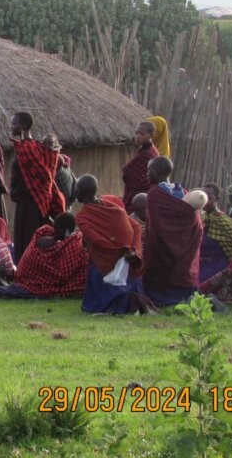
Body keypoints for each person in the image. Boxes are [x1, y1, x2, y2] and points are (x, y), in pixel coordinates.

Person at [0, 213, 86, 300]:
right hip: (35, 281)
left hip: (46, 286)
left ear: (65, 231)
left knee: (14, 291)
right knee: (15, 289)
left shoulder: (73, 246)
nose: (53, 231)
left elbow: (60, 273)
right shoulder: (52, 239)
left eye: (56, 229)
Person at [74, 175, 149, 314]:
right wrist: (132, 249)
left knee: (95, 305)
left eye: (76, 189)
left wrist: (122, 250)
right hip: (128, 256)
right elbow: (136, 227)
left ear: (80, 192)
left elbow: (96, 240)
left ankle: (125, 301)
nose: (74, 191)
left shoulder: (83, 216)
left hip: (109, 260)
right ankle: (133, 299)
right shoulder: (111, 205)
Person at [143, 156, 202, 307]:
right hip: (185, 249)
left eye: (149, 170)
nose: (147, 174)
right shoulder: (183, 191)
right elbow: (196, 223)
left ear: (157, 171)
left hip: (163, 254)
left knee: (160, 291)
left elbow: (156, 227)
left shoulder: (155, 194)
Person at [8, 112, 65, 262]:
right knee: (29, 239)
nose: (11, 126)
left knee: (28, 240)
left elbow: (44, 175)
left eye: (15, 124)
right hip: (36, 202)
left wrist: (16, 191)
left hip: (30, 203)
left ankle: (28, 270)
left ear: (24, 126)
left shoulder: (28, 149)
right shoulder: (34, 148)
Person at [198, 183, 232, 283]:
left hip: (217, 266)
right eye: (203, 197)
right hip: (201, 263)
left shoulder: (222, 221)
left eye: (209, 198)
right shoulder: (201, 217)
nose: (205, 201)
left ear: (217, 199)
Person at [121, 122, 159, 212]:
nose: (138, 136)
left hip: (140, 196)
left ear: (151, 135)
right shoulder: (144, 151)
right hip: (134, 192)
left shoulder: (148, 154)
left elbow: (135, 176)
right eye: (137, 133)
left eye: (142, 134)